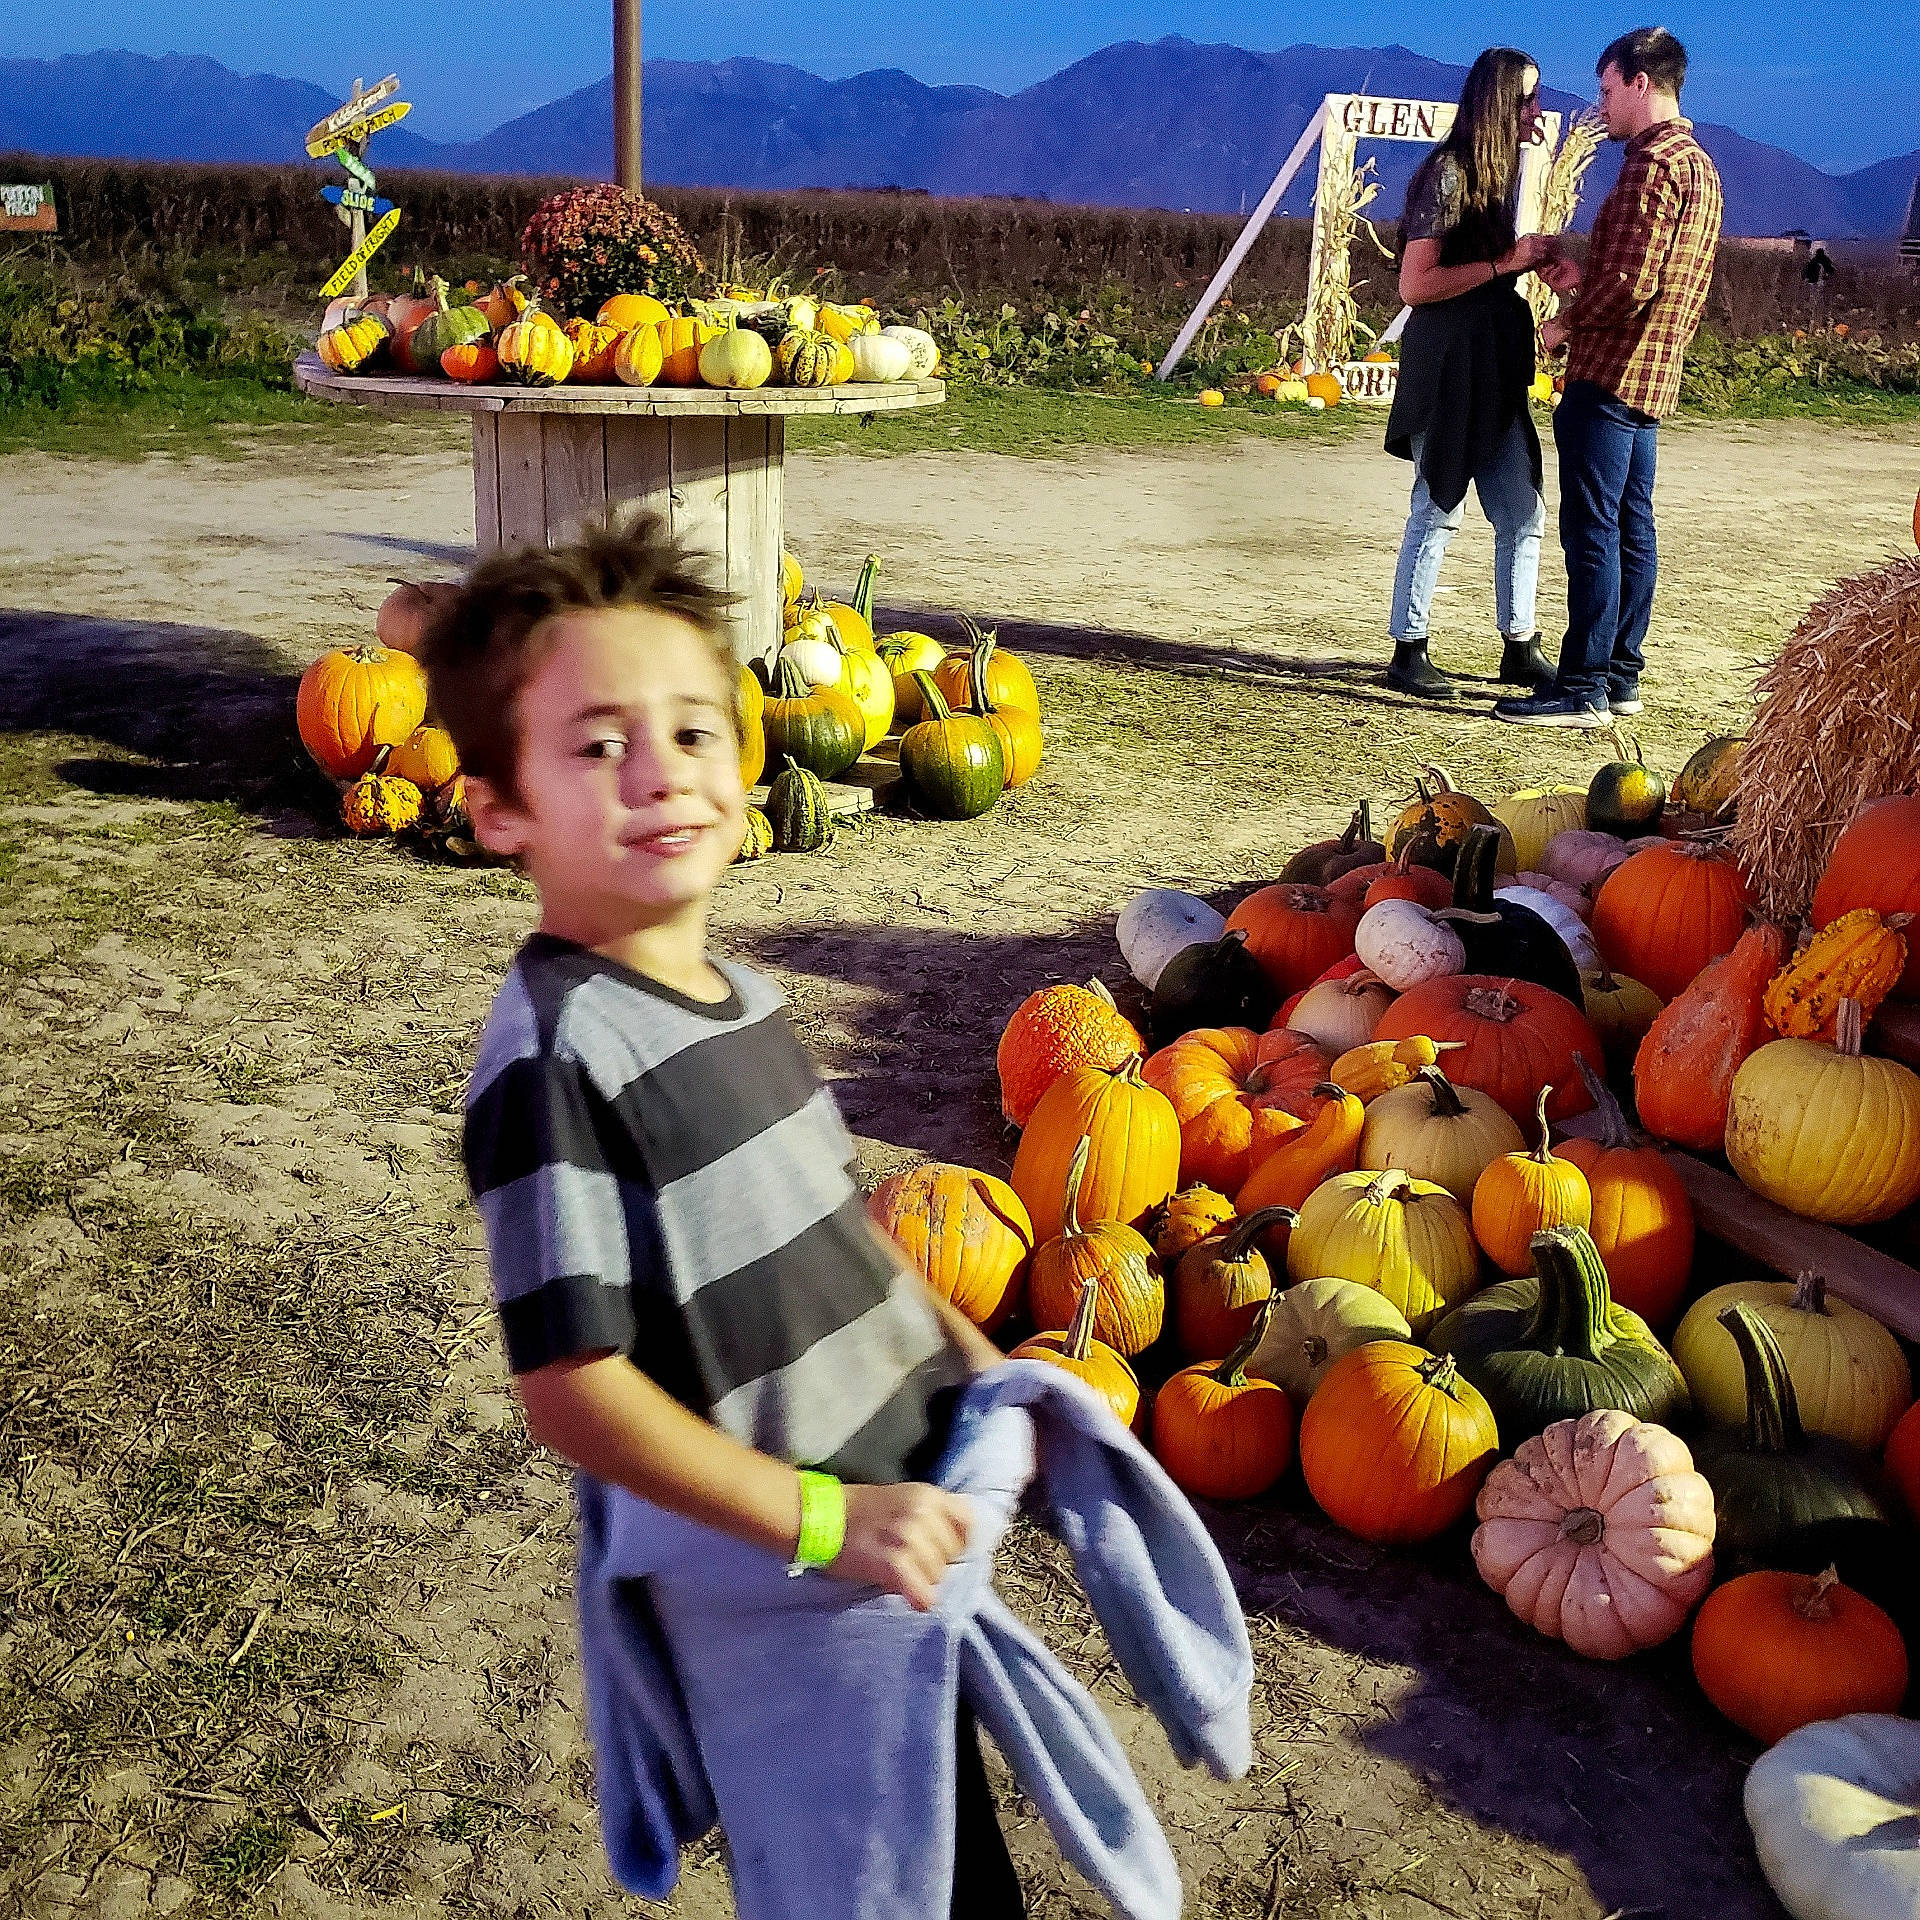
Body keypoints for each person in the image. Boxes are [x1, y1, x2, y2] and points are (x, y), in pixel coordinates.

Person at [426, 520, 1025, 1915]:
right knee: (861, 1884)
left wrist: (962, 1356)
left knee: (952, 1858)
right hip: (788, 1580)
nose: (661, 772)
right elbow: (573, 1391)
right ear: (499, 810)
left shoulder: (745, 1001)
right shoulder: (556, 1057)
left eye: (694, 730)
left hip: (898, 1532)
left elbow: (835, 1224)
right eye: (595, 746)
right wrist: (824, 1522)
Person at [1495, 25, 1724, 728]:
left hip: (1610, 376)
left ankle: (1583, 686)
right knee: (1632, 528)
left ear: (1639, 83)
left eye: (1605, 90)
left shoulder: (1651, 166)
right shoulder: (1703, 168)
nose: (1602, 108)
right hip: (1653, 377)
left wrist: (1564, 322)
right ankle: (1621, 675)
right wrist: (1583, 280)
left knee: (1592, 533)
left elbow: (1631, 283)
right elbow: (1649, 281)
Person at [1382, 47, 1562, 702]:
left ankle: (1520, 646)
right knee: (1438, 507)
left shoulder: (1495, 173)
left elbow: (1496, 265)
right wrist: (1504, 263)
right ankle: (1409, 649)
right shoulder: (1451, 175)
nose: (1537, 111)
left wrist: (1533, 263)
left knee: (1522, 508)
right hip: (1449, 367)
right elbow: (1415, 283)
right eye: (1528, 99)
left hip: (1493, 367)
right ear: (1498, 104)